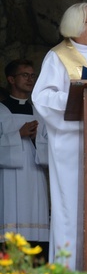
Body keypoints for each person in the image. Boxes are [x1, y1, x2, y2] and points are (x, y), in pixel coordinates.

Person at [32, 2, 87, 269]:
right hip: (72, 143)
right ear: (74, 25)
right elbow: (42, 98)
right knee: (71, 208)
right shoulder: (58, 56)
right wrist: (79, 95)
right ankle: (68, 270)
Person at [0, 59, 49, 252]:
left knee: (36, 228)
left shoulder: (39, 112)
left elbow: (50, 147)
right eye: (24, 75)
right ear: (11, 79)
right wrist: (17, 135)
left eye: (32, 75)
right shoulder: (1, 110)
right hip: (8, 179)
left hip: (34, 175)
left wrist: (38, 139)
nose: (30, 79)